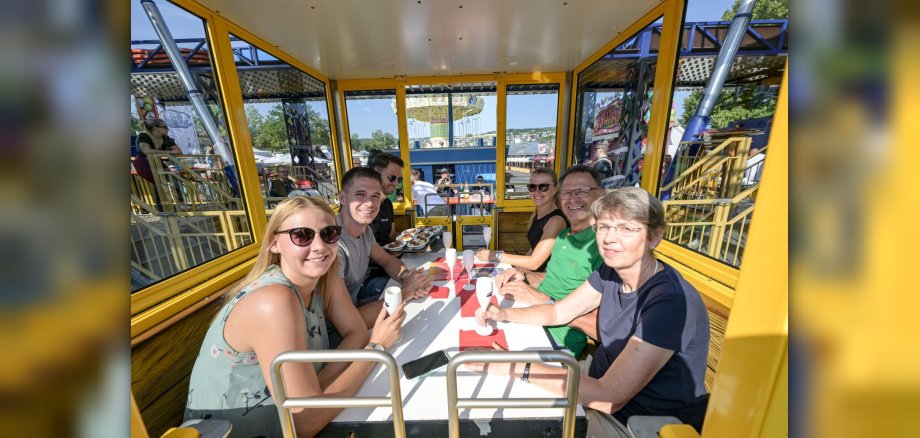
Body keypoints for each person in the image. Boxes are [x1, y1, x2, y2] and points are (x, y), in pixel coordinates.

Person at [473, 187, 710, 435]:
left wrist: (515, 366)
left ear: (654, 236)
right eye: (604, 227)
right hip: (595, 379)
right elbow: (558, 313)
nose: (609, 238)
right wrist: (502, 314)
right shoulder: (611, 271)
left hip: (634, 420)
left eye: (626, 229)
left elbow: (609, 397)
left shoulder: (668, 302)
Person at [185, 197, 406, 437]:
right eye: (302, 235)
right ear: (274, 243)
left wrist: (318, 388)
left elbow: (357, 332)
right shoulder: (273, 301)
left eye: (329, 233)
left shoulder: (322, 277)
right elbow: (305, 422)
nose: (320, 246)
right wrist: (376, 350)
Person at [489, 165, 605, 356]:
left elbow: (601, 330)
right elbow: (551, 278)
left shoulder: (604, 248)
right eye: (567, 192)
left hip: (557, 338)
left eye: (582, 191)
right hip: (532, 315)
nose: (573, 198)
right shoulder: (563, 236)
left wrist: (543, 300)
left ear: (600, 195)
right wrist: (523, 274)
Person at [332, 167, 433, 346]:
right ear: (342, 198)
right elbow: (349, 321)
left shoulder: (364, 230)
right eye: (360, 195)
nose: (369, 203)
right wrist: (406, 292)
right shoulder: (331, 243)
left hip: (355, 309)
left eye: (375, 196)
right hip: (334, 333)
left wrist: (408, 276)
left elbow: (386, 260)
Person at [476, 167, 568, 272]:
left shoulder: (556, 220)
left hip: (546, 280)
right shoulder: (537, 215)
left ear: (555, 189)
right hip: (535, 273)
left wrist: (493, 255)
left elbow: (534, 263)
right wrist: (517, 269)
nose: (537, 192)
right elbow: (534, 248)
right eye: (532, 187)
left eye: (543, 187)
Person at [368, 153, 404, 245]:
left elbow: (391, 236)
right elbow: (368, 248)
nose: (396, 184)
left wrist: (413, 235)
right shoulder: (365, 206)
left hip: (388, 254)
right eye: (392, 178)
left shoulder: (387, 203)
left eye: (399, 179)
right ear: (377, 175)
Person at [134, 118, 183, 183]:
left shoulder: (165, 137)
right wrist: (169, 152)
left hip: (158, 163)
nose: (168, 129)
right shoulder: (143, 135)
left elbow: (179, 151)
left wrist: (171, 152)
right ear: (155, 128)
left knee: (175, 181)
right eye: (165, 127)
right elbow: (146, 151)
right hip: (144, 164)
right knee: (162, 184)